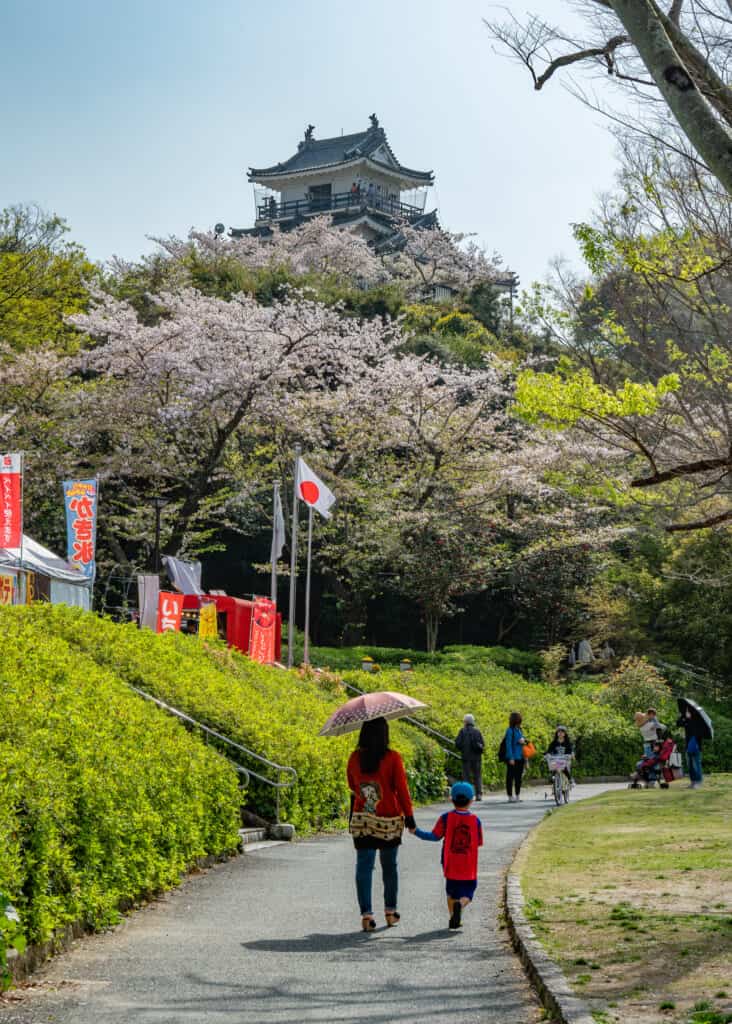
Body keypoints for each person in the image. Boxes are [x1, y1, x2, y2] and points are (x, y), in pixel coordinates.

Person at [346, 717, 416, 931]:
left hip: (363, 818)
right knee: (389, 867)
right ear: (385, 734)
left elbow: (352, 784)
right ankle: (390, 912)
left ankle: (367, 916)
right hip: (389, 819)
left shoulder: (355, 758)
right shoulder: (393, 758)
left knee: (364, 866)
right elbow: (401, 789)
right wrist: (410, 816)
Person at [410, 781, 483, 930]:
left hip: (449, 862)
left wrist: (416, 831)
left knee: (451, 891)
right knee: (469, 890)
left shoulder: (445, 818)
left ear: (451, 799)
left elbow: (434, 836)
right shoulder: (475, 821)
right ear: (471, 800)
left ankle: (453, 917)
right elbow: (479, 842)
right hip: (468, 864)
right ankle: (461, 904)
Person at [454, 713, 484, 800]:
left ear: (465, 722)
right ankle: (479, 794)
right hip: (477, 758)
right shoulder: (477, 731)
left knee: (466, 777)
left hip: (466, 758)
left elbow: (457, 743)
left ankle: (468, 795)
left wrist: (463, 748)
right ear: (472, 722)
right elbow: (482, 744)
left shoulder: (462, 731)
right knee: (477, 776)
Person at [676, 707, 705, 789]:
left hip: (696, 746)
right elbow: (678, 723)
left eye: (688, 711)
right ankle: (693, 782)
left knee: (696, 764)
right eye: (686, 711)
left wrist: (689, 719)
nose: (687, 712)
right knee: (690, 765)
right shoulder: (686, 720)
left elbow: (698, 732)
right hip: (688, 745)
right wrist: (682, 716)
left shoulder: (698, 720)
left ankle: (698, 782)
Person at [504, 711, 528, 803]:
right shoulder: (509, 731)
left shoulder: (519, 730)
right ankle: (510, 796)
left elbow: (522, 743)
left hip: (520, 757)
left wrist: (523, 741)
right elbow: (508, 744)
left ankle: (517, 795)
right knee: (510, 777)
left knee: (518, 778)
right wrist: (510, 757)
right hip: (513, 757)